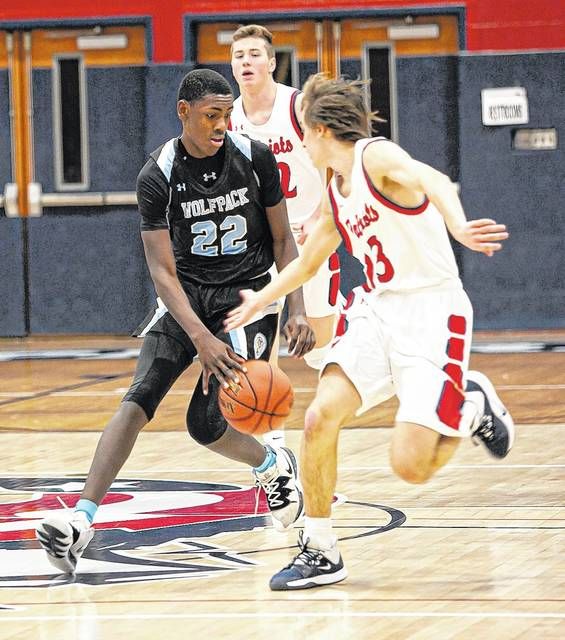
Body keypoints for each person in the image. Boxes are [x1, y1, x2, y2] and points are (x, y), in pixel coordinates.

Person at [224, 73, 515, 591]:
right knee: (318, 417)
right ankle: (320, 549)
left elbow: (434, 180)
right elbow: (307, 264)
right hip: (376, 313)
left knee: (411, 468)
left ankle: (469, 405)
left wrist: (459, 225)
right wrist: (259, 302)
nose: (298, 143)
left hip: (431, 315)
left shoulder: (372, 157)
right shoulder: (335, 192)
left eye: (302, 133)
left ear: (318, 130)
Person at [35, 69, 315, 574]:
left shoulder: (255, 157)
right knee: (140, 396)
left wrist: (296, 306)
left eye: (228, 114)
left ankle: (272, 466)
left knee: (204, 425)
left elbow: (282, 239)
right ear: (184, 112)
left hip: (247, 298)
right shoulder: (158, 174)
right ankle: (80, 521)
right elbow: (162, 272)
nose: (222, 124)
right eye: (212, 114)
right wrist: (201, 338)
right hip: (184, 296)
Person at [230, 25, 340, 448]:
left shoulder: (297, 106)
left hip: (308, 239)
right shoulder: (230, 117)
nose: (246, 62)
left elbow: (344, 158)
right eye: (239, 55)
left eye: (255, 54)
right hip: (261, 247)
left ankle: (328, 427)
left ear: (272, 62)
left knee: (319, 347)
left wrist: (321, 213)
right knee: (262, 352)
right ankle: (275, 453)